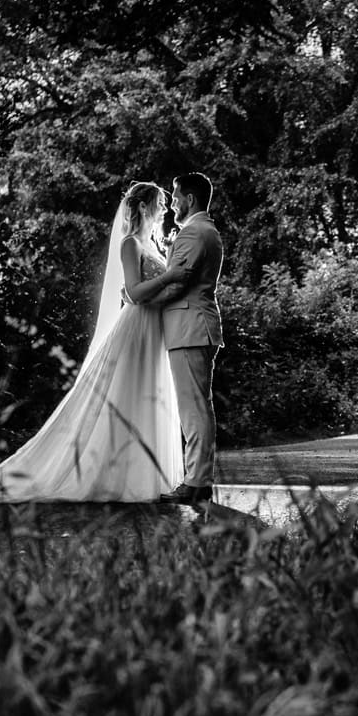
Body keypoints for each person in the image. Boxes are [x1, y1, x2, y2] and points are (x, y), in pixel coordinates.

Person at [0, 181, 182, 503]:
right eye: (160, 203)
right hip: (137, 331)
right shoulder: (131, 244)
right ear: (145, 206)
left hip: (154, 331)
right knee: (126, 399)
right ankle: (114, 476)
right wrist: (169, 281)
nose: (164, 209)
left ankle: (143, 474)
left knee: (147, 397)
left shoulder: (154, 247)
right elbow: (133, 292)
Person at [129, 172, 224, 506]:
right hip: (193, 326)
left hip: (189, 327)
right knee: (197, 407)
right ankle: (198, 481)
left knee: (194, 409)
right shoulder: (204, 231)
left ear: (191, 200)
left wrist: (137, 302)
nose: (173, 206)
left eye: (177, 197)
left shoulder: (194, 233)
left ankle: (197, 482)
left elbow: (176, 285)